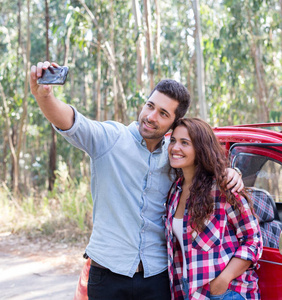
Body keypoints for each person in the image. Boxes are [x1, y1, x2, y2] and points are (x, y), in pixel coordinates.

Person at [29, 61, 244, 300]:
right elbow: (69, 121)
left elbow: (205, 169)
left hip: (157, 277)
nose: (151, 117)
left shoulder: (174, 157)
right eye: (150, 106)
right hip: (107, 275)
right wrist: (45, 97)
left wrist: (231, 172)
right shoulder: (109, 139)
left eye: (163, 114)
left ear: (173, 123)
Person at [166, 118, 263, 300]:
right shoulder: (175, 191)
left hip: (226, 293)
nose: (175, 148)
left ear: (201, 149)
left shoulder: (222, 187)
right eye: (173, 141)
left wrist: (222, 280)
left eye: (184, 143)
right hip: (190, 291)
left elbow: (253, 240)